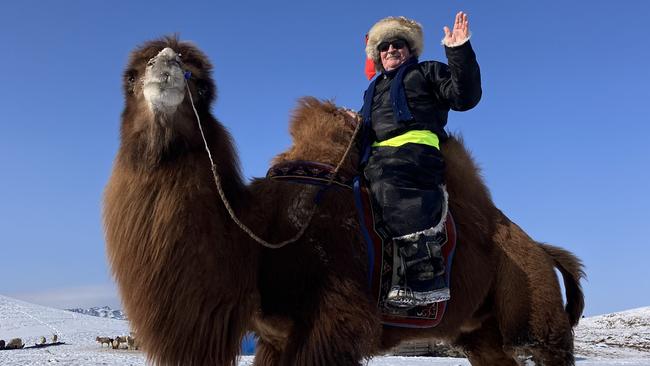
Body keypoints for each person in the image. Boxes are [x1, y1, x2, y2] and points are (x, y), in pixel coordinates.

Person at [359, 12, 482, 308]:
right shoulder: (372, 90)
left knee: (392, 181)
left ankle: (424, 273)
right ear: (377, 54)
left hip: (414, 155)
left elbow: (464, 97)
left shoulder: (427, 71)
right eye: (384, 46)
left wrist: (459, 51)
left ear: (410, 49)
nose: (390, 49)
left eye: (398, 43)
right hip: (373, 158)